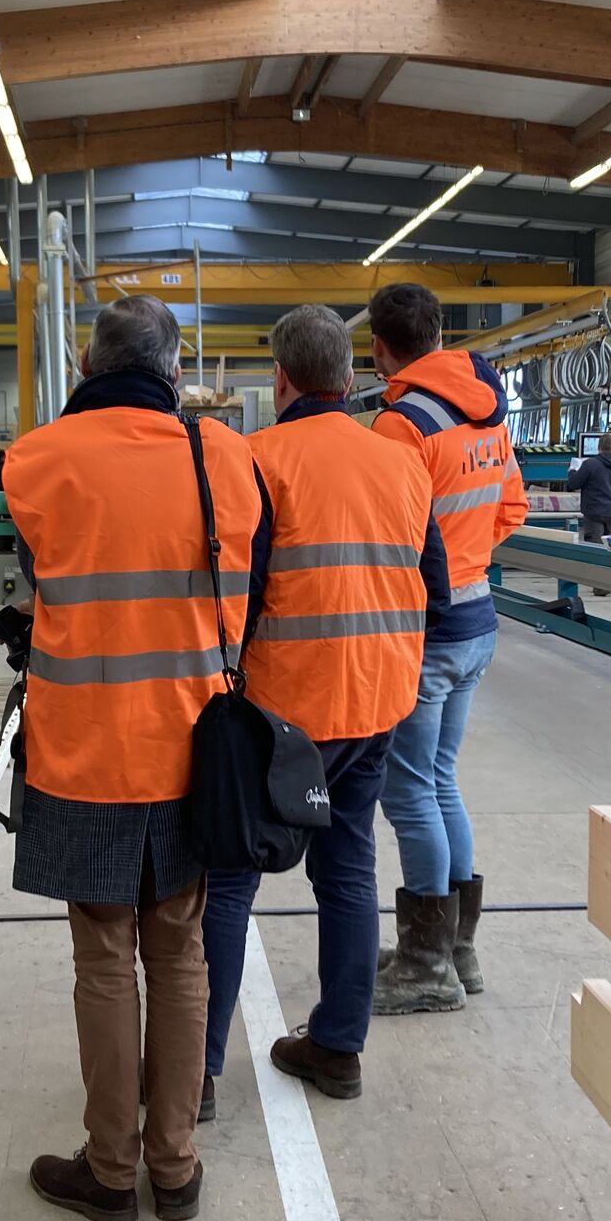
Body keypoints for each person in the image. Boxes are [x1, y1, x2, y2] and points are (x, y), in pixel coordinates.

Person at [5, 295, 270, 1221]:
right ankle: (178, 1165)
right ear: (174, 366)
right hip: (196, 745)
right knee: (183, 949)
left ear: (89, 360)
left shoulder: (36, 458)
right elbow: (249, 583)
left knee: (104, 957)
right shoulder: (224, 455)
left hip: (83, 747)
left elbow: (45, 573)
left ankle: (111, 1171)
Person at [199, 305, 447, 1110]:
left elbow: (239, 589)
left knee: (231, 879)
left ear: (280, 380)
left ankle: (195, 1072)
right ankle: (339, 1048)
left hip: (284, 710)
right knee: (347, 871)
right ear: (350, 379)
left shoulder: (257, 459)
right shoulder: (403, 462)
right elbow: (435, 588)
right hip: (377, 700)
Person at [365, 281, 527, 1015]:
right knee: (441, 780)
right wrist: (467, 560)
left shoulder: (402, 426)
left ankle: (427, 964)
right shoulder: (489, 411)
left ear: (379, 347)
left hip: (426, 632)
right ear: (437, 333)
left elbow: (386, 536)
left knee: (408, 794)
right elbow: (512, 507)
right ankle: (458, 949)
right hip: (479, 619)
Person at [568, 433, 611, 544]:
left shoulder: (590, 464)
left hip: (594, 512)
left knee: (595, 547)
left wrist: (572, 471)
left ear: (599, 447)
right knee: (610, 546)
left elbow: (573, 484)